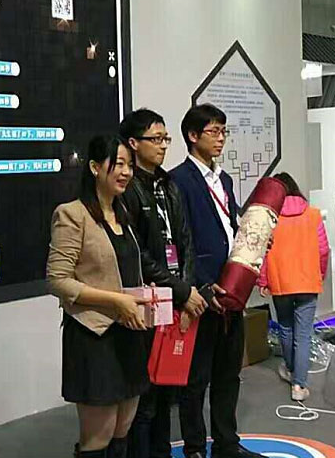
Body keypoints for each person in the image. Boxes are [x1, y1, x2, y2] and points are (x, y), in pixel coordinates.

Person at [47, 135, 153, 458]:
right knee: (98, 437)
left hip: (129, 333)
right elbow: (58, 280)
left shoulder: (123, 214)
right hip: (94, 337)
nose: (126, 172)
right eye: (117, 164)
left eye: (129, 165)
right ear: (95, 167)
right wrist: (116, 301)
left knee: (123, 430)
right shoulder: (72, 214)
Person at [168, 104, 263, 458]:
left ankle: (227, 443)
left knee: (228, 374)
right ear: (193, 136)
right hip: (201, 294)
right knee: (196, 379)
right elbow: (180, 242)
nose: (221, 138)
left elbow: (229, 230)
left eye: (224, 131)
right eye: (214, 131)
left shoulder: (224, 180)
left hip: (231, 290)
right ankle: (194, 448)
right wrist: (201, 286)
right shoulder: (178, 181)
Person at [118, 109, 207, 458]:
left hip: (175, 299)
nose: (163, 145)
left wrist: (186, 290)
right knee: (145, 398)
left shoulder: (168, 184)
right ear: (133, 143)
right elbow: (138, 253)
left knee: (167, 388)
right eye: (155, 139)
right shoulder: (128, 189)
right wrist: (182, 291)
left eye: (165, 138)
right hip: (147, 300)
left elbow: (185, 240)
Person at [257, 173, 330, 402]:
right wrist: (320, 274)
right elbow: (323, 250)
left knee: (286, 329)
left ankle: (290, 370)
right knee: (303, 334)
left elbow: (264, 251)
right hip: (308, 282)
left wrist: (263, 280)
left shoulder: (271, 218)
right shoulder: (313, 215)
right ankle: (299, 385)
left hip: (281, 282)